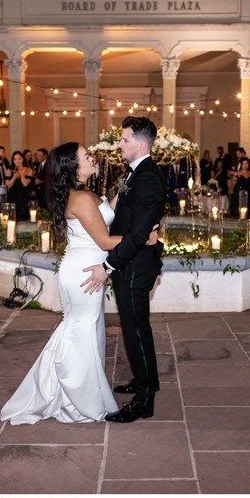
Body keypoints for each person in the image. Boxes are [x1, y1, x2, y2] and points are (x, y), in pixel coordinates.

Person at [1, 142, 142, 424]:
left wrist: (123, 189)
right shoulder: (80, 199)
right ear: (73, 168)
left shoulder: (86, 195)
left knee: (84, 330)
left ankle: (73, 392)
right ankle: (80, 401)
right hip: (84, 272)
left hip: (87, 267)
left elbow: (105, 215)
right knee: (82, 333)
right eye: (86, 156)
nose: (93, 158)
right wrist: (142, 239)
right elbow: (104, 240)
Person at [82, 116, 167, 423]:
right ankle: (147, 380)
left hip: (134, 265)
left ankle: (144, 400)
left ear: (141, 144)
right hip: (129, 264)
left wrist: (108, 265)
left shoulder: (148, 178)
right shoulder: (135, 173)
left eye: (125, 139)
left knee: (135, 331)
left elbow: (139, 235)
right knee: (135, 329)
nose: (119, 144)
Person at [5, 150, 34, 219]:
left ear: (23, 159)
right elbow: (7, 185)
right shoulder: (9, 170)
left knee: (23, 217)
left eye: (19, 159)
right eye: (15, 159)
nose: (17, 161)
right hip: (12, 197)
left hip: (23, 197)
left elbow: (25, 184)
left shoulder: (28, 170)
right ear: (13, 160)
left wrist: (21, 173)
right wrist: (14, 177)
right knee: (12, 217)